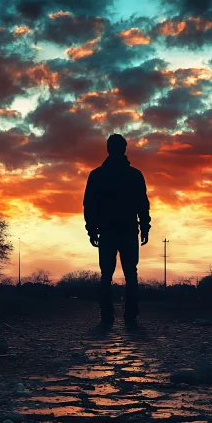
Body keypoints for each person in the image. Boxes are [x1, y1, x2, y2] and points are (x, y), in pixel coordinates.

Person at [83, 134, 151, 326]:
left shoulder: (97, 175)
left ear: (107, 149)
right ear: (125, 149)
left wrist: (91, 229)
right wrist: (145, 226)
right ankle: (130, 315)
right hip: (128, 230)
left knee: (106, 274)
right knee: (131, 273)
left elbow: (89, 205)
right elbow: (142, 205)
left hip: (107, 231)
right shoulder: (135, 175)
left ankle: (106, 315)